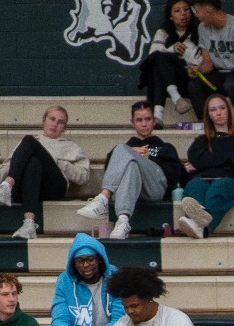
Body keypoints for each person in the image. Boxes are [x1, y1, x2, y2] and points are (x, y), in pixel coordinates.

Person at [76, 102, 184, 241]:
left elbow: (176, 175)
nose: (144, 124)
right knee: (130, 162)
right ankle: (123, 221)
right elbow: (110, 169)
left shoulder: (166, 147)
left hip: (154, 189)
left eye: (147, 119)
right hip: (129, 190)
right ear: (132, 122)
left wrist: (149, 159)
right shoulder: (126, 148)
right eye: (139, 120)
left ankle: (103, 198)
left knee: (122, 150)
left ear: (154, 121)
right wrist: (132, 154)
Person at [0, 107, 89, 241]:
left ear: (64, 128)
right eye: (52, 119)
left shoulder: (72, 147)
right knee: (33, 162)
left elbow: (83, 177)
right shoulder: (25, 146)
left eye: (60, 122)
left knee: (29, 141)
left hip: (53, 187)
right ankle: (29, 223)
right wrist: (21, 167)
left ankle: (6, 186)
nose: (55, 124)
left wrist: (57, 162)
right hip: (26, 188)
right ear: (44, 121)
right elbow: (2, 173)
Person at [176, 92, 234, 238]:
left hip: (228, 181)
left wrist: (206, 162)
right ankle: (200, 227)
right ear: (208, 115)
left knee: (218, 188)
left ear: (228, 111)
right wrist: (230, 158)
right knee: (195, 187)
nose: (218, 112)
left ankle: (200, 226)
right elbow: (195, 157)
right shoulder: (200, 140)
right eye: (213, 110)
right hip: (201, 179)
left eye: (222, 108)